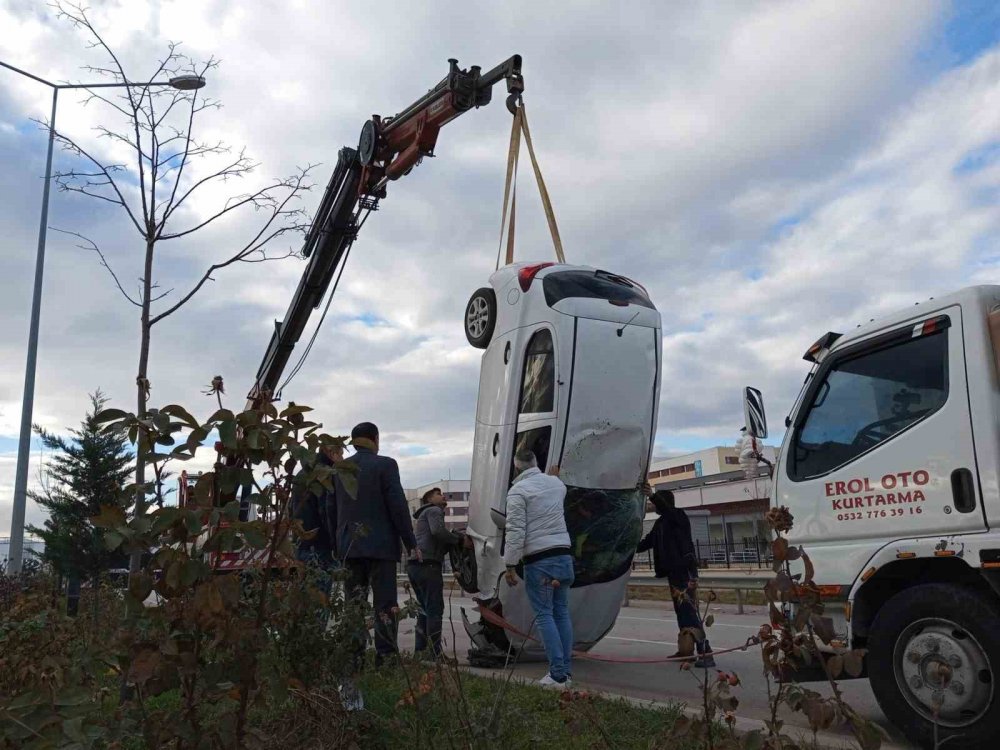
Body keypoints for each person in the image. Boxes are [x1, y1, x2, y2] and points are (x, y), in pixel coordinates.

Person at [329, 422, 419, 667]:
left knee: (354, 604)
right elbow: (398, 506)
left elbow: (331, 510)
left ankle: (354, 658)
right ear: (375, 439)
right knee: (385, 605)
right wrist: (410, 542)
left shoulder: (339, 470)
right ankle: (386, 658)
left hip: (349, 547)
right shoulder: (386, 465)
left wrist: (336, 543)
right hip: (382, 548)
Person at [502, 451, 575, 688]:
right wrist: (553, 476)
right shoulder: (556, 485)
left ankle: (557, 675)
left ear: (516, 468)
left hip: (540, 560)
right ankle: (566, 673)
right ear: (535, 464)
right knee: (561, 613)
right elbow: (556, 484)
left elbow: (515, 531)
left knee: (545, 616)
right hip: (564, 556)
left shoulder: (517, 492)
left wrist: (510, 564)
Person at [637, 486, 715, 668]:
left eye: (655, 503)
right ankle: (686, 651)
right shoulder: (661, 524)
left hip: (684, 571)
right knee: (682, 613)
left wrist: (653, 495)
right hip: (673, 572)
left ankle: (706, 652)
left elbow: (668, 510)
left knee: (689, 612)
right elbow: (646, 543)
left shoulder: (678, 516)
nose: (652, 506)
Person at [408, 487, 469, 657]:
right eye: (438, 494)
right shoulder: (434, 510)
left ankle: (420, 651)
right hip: (428, 565)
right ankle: (434, 653)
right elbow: (438, 532)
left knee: (424, 608)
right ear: (429, 500)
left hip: (415, 566)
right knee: (434, 608)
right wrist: (459, 539)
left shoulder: (423, 515)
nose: (443, 496)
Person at [291, 444, 341, 602]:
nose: (343, 459)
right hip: (321, 545)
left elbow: (292, 509)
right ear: (331, 452)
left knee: (304, 600)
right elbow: (326, 509)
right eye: (340, 454)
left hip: (302, 543)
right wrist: (335, 542)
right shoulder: (325, 474)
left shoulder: (302, 474)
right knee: (319, 599)